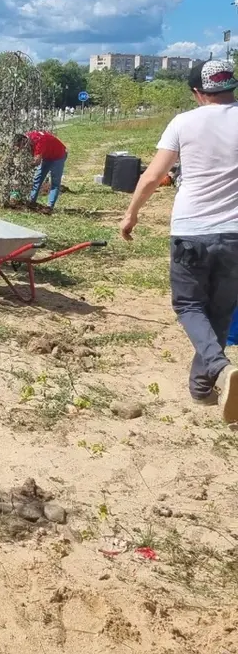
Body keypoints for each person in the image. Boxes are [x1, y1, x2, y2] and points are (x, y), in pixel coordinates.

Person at [121, 59, 238, 420]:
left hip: (191, 230)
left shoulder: (184, 122)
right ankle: (203, 389)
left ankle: (219, 370)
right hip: (235, 233)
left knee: (189, 307)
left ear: (197, 93)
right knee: (219, 311)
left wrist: (131, 213)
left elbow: (154, 175)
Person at [14, 130, 68, 213]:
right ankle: (31, 202)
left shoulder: (39, 142)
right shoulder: (28, 137)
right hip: (47, 156)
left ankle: (49, 207)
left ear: (24, 141)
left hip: (58, 155)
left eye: (19, 146)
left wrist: (24, 167)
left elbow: (36, 162)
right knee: (37, 179)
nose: (19, 148)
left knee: (55, 182)